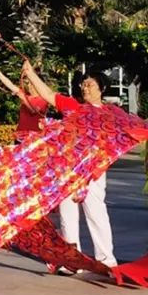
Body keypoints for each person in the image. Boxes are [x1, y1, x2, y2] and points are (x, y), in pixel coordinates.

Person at [20, 61, 117, 272]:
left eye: (90, 84)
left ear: (102, 89)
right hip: (68, 170)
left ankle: (106, 259)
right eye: (83, 84)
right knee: (67, 213)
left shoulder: (111, 114)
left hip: (94, 171)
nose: (85, 87)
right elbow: (48, 95)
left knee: (95, 212)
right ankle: (72, 260)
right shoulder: (74, 107)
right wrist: (30, 74)